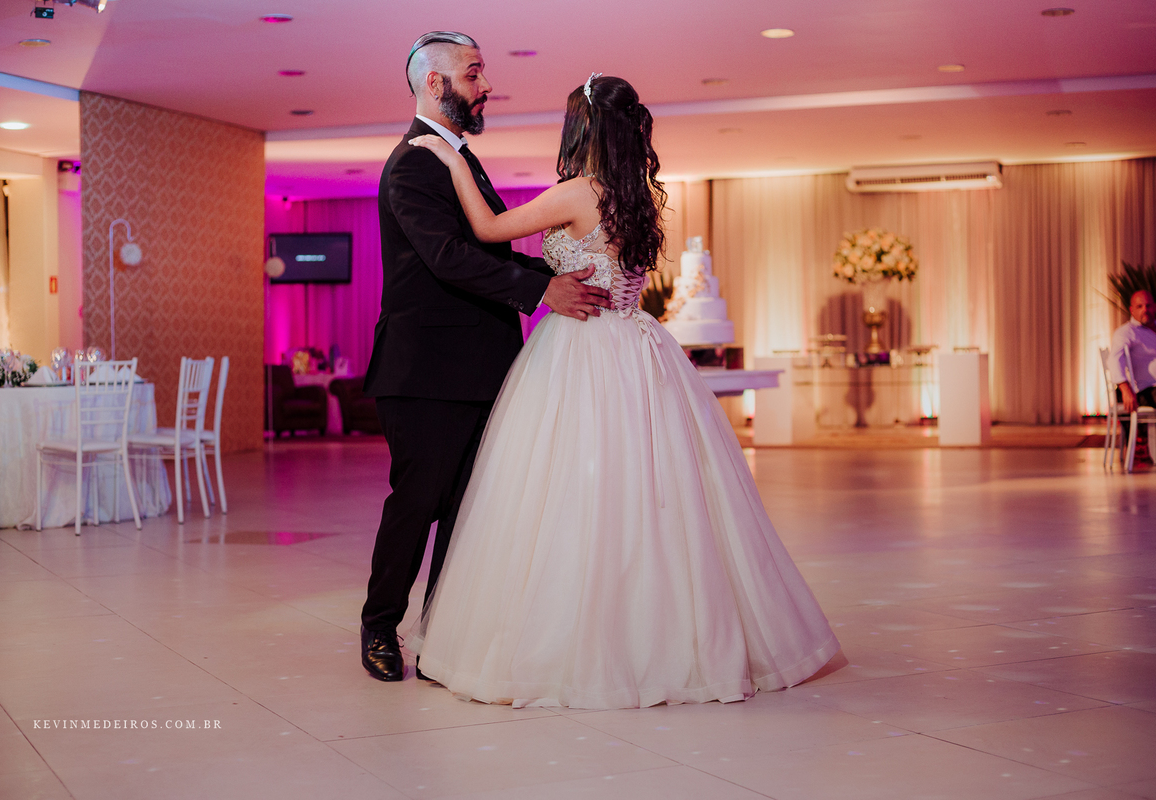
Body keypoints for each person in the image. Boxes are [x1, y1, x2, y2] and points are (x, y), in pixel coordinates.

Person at [407, 74, 840, 708]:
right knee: (654, 492)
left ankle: (593, 642)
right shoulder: (639, 195)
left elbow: (491, 227)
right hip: (639, 343)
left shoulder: (578, 191)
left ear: (582, 129)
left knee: (573, 489)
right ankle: (672, 633)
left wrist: (451, 159)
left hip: (583, 345)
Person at [359, 32, 612, 683]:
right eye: (474, 74)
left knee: (469, 513)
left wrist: (556, 270)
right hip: (425, 373)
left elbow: (489, 250)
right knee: (417, 503)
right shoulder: (415, 161)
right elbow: (447, 258)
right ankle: (380, 626)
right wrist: (541, 288)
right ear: (436, 83)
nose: (486, 84)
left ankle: (442, 633)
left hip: (480, 368)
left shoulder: (458, 158)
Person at [1110, 289, 1156, 465]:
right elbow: (1114, 361)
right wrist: (1124, 388)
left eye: (1148, 305)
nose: (1145, 310)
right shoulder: (1126, 332)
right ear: (1131, 310)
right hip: (1148, 389)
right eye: (1140, 306)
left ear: (1154, 307)